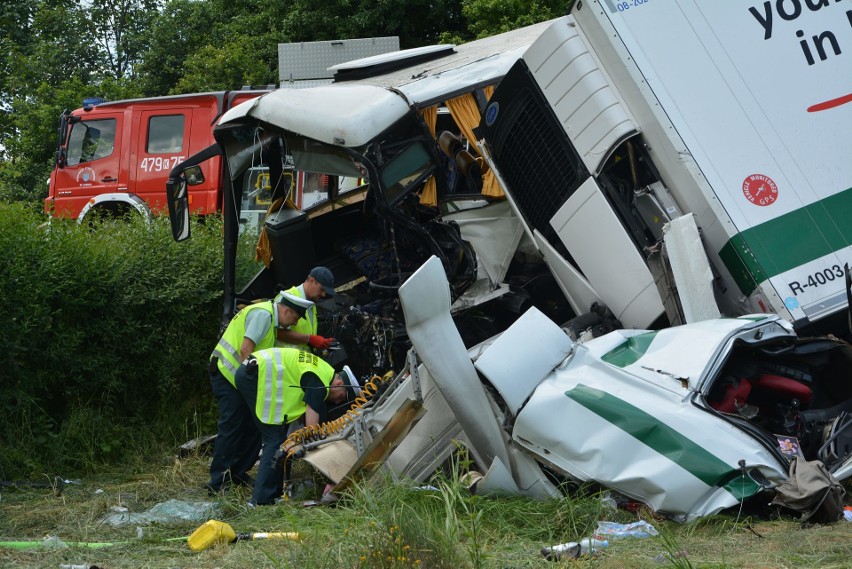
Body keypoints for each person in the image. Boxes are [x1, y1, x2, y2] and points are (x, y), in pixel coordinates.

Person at [206, 292, 314, 494]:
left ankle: (237, 473)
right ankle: (217, 483)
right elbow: (246, 351)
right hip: (227, 376)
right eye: (295, 318)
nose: (294, 323)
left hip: (235, 378)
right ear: (286, 310)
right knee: (232, 426)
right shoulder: (263, 315)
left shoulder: (270, 319)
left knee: (254, 426)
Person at [234, 347, 351, 505]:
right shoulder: (321, 380)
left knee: (279, 437)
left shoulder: (322, 369)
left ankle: (273, 491)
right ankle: (260, 500)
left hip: (252, 370)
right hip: (254, 375)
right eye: (341, 397)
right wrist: (316, 449)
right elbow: (311, 426)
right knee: (274, 439)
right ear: (338, 384)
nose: (337, 402)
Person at [276, 266, 337, 351]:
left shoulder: (311, 304)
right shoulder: (288, 298)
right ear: (311, 280)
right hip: (285, 360)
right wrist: (310, 339)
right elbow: (277, 332)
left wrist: (320, 342)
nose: (323, 294)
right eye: (322, 289)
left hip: (301, 360)